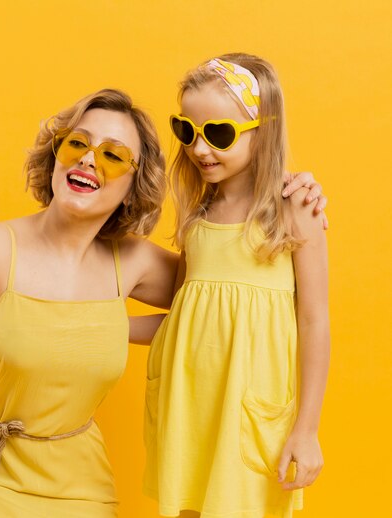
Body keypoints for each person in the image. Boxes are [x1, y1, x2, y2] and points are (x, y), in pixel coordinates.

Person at [0, 87, 324, 517]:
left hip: (76, 484)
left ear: (131, 184)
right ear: (56, 154)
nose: (88, 159)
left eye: (112, 155)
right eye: (78, 142)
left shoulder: (135, 265)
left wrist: (281, 193)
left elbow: (239, 296)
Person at [142, 54, 330, 518]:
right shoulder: (198, 215)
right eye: (188, 131)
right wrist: (100, 323)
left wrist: (307, 428)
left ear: (262, 131)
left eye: (219, 134)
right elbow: (184, 315)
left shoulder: (293, 208)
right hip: (190, 407)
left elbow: (314, 319)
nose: (200, 149)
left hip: (249, 410)